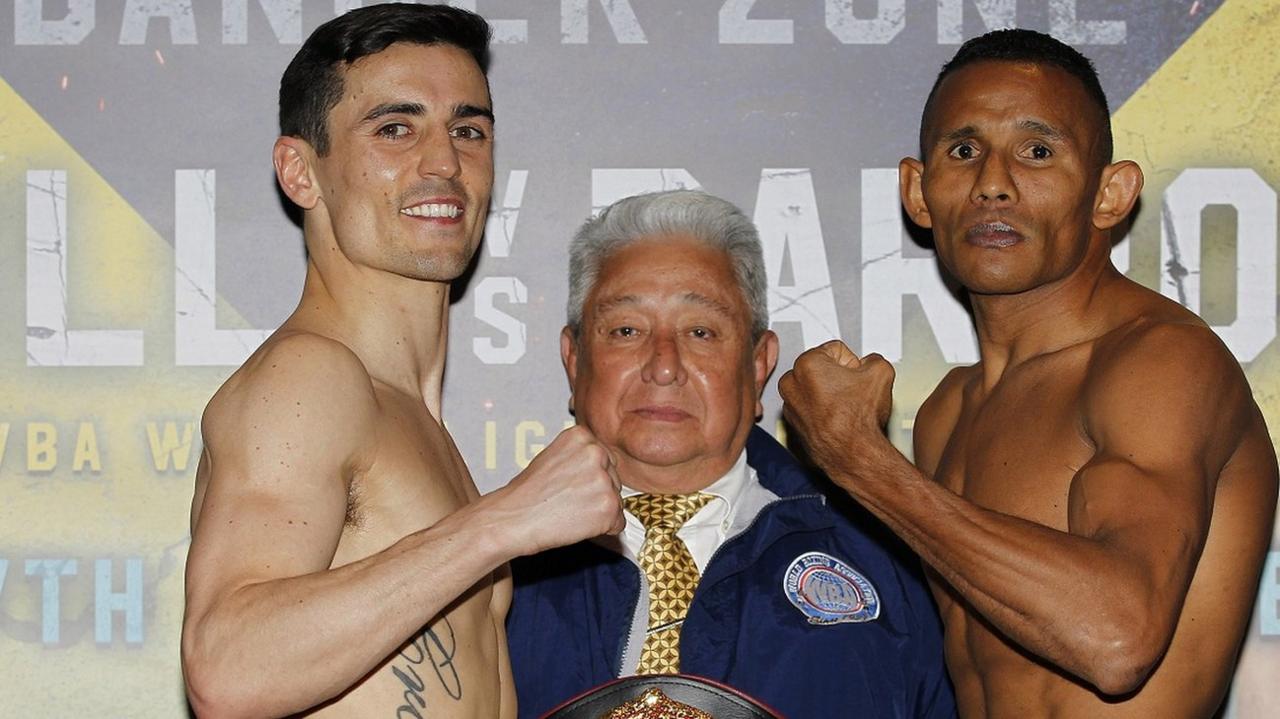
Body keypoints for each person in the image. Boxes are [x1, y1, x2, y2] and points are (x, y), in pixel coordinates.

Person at [779, 29, 1279, 717]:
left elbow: (1116, 637)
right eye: (964, 150)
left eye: (1038, 152)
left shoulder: (1160, 360)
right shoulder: (948, 411)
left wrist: (862, 460)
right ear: (919, 193)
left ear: (1110, 194)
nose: (992, 183)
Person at [180, 5, 623, 717]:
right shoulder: (309, 379)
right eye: (395, 128)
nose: (444, 162)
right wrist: (501, 523)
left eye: (468, 130)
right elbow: (228, 666)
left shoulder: (414, 422)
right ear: (300, 171)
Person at [506, 190, 956, 718]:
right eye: (626, 331)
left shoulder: (888, 559)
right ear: (574, 360)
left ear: (759, 364)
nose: (664, 366)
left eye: (701, 332)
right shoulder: (495, 568)